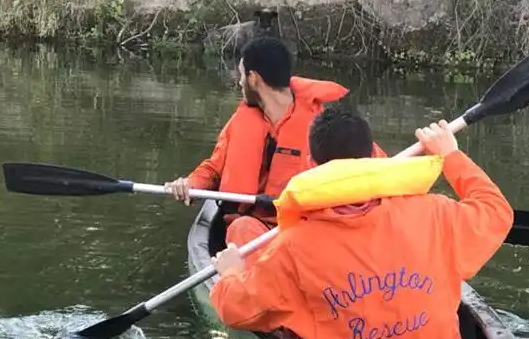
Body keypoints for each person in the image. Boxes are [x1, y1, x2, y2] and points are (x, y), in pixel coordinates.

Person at [208, 106, 515, 339]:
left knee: (245, 235)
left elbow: (236, 310)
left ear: (312, 165)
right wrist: (450, 156)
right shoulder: (436, 212)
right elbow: (497, 211)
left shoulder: (292, 247)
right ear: (373, 156)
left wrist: (231, 274)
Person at [165, 36, 385, 250]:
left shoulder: (325, 125)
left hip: (307, 230)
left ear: (253, 78)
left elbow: (376, 167)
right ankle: (257, 272)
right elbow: (214, 169)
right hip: (257, 230)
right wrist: (190, 184)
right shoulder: (242, 121)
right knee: (241, 228)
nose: (239, 82)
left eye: (241, 75)